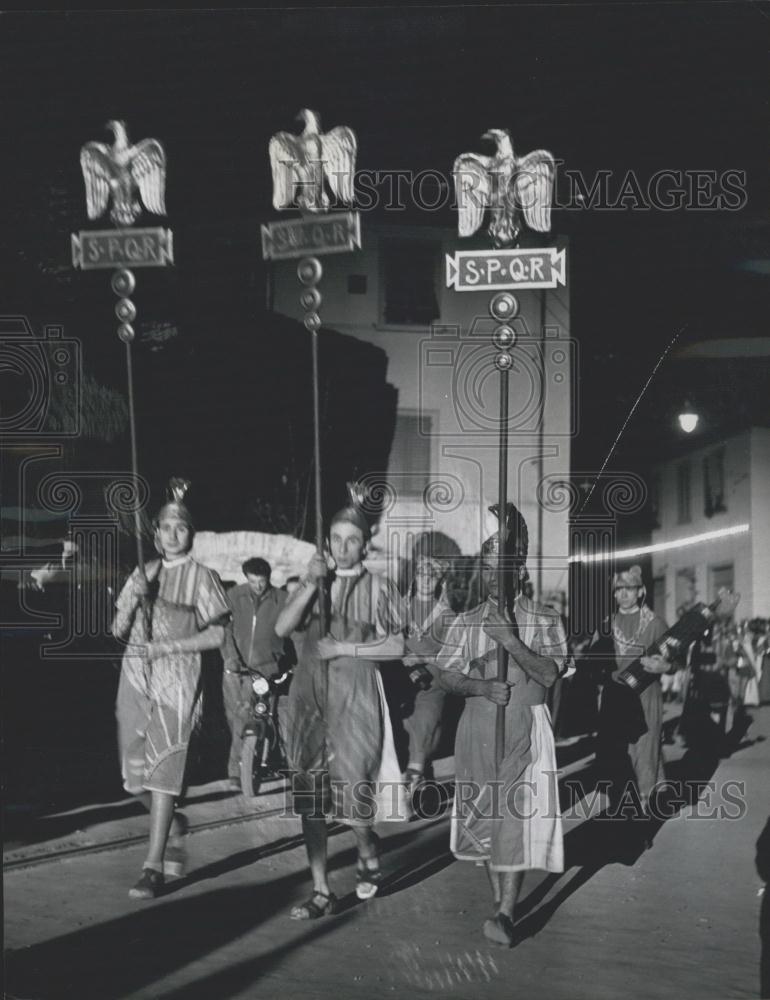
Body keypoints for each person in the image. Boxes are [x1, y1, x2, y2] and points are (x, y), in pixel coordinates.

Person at [435, 503, 569, 948]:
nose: (494, 577)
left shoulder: (546, 618)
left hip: (525, 733)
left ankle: (508, 912)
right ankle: (500, 906)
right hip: (476, 733)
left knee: (514, 820)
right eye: (488, 569)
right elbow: (445, 675)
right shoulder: (465, 621)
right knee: (488, 822)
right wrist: (479, 687)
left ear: (519, 569)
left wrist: (511, 639)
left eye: (503, 568)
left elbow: (551, 674)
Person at [275, 494, 409, 920]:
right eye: (336, 538)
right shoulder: (315, 581)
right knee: (311, 794)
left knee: (354, 790)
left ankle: (368, 845)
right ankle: (321, 890)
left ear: (365, 544)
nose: (343, 547)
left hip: (356, 696)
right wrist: (312, 583)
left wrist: (347, 646)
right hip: (309, 695)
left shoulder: (380, 587)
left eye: (352, 540)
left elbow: (399, 645)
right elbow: (282, 627)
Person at [112, 480, 230, 899]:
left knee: (163, 774)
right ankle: (175, 824)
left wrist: (169, 646)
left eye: (181, 528)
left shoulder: (203, 577)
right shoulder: (143, 573)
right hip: (135, 680)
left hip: (177, 683)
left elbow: (216, 635)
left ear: (190, 534)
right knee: (133, 780)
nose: (173, 534)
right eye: (166, 527)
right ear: (156, 533)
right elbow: (116, 629)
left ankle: (153, 865)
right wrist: (132, 601)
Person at [591, 565, 671, 819]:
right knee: (618, 756)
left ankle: (644, 817)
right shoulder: (606, 624)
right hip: (614, 698)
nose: (623, 594)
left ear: (640, 592)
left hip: (646, 697)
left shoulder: (656, 623)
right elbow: (593, 662)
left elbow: (673, 659)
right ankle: (625, 813)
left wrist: (665, 666)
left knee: (645, 751)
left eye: (629, 589)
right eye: (618, 590)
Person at [221, 557, 289, 790]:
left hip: (265, 670)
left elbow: (289, 633)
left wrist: (282, 663)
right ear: (245, 578)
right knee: (235, 720)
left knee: (259, 716)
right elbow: (224, 628)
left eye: (261, 581)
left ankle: (244, 769)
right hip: (234, 669)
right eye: (252, 581)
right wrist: (230, 656)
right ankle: (239, 767)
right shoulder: (234, 596)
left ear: (268, 578)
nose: (258, 586)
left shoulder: (282, 599)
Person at [399, 549, 455, 796]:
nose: (425, 580)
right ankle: (419, 774)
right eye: (421, 574)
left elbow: (454, 655)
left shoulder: (447, 615)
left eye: (431, 576)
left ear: (439, 582)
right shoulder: (400, 608)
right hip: (400, 678)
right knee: (402, 728)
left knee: (423, 725)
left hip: (432, 681)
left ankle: (410, 785)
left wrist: (422, 657)